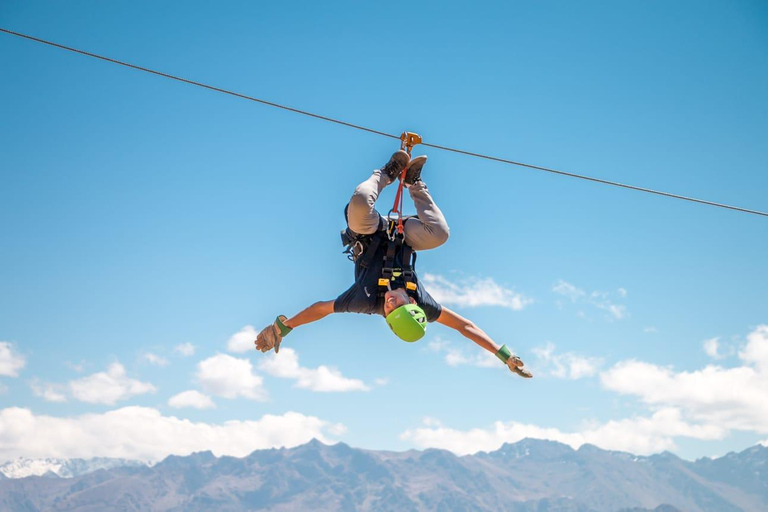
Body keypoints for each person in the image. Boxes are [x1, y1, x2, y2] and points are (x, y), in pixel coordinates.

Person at [255, 151, 532, 378]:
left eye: (389, 311)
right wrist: (503, 355)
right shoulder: (425, 304)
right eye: (399, 304)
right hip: (402, 234)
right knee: (441, 234)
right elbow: (464, 326)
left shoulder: (364, 301)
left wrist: (283, 327)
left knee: (361, 201)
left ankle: (386, 174)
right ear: (412, 301)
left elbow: (321, 309)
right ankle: (413, 182)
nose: (389, 303)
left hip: (366, 229)